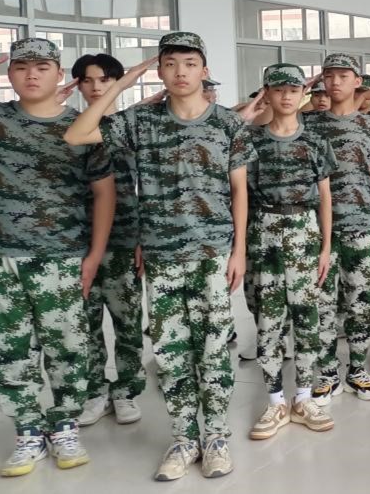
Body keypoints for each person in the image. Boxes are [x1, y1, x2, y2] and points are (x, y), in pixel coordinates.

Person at [66, 31, 255, 481]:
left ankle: (216, 436)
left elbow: (239, 191)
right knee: (171, 352)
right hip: (161, 255)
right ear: (159, 71)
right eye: (170, 64)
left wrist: (239, 251)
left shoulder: (228, 124)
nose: (180, 72)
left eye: (189, 63)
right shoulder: (140, 122)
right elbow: (77, 133)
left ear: (204, 70)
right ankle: (184, 437)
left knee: (212, 349)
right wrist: (123, 81)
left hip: (212, 254)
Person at [0, 39, 113, 477]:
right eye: (22, 67)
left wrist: (94, 255)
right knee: (7, 349)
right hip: (1, 255)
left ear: (59, 74)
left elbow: (104, 194)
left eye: (42, 66)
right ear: (9, 75)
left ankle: (64, 426)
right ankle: (27, 430)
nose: (32, 75)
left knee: (68, 348)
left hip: (63, 256)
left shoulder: (83, 127)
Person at [244, 64, 338, 439]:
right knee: (268, 320)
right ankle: (275, 401)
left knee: (307, 317)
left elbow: (325, 197)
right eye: (278, 89)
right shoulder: (252, 141)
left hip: (304, 230)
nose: (286, 96)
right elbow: (241, 196)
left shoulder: (315, 141)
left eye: (293, 90)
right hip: (263, 231)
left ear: (303, 94)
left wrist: (326, 246)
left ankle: (303, 397)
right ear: (266, 93)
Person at [61, 54, 148, 429]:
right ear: (78, 85)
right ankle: (94, 390)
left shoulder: (132, 128)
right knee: (84, 322)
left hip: (124, 237)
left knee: (127, 319)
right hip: (77, 238)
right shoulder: (69, 128)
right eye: (88, 80)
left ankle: (126, 390)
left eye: (104, 80)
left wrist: (144, 236)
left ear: (117, 83)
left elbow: (151, 187)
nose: (96, 87)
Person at [304, 53, 370, 403]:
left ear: (358, 81)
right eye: (329, 75)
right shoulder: (308, 125)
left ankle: (356, 369)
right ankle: (327, 372)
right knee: (321, 304)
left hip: (361, 225)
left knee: (362, 302)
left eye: (343, 75)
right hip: (318, 229)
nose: (335, 82)